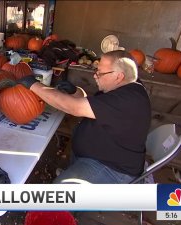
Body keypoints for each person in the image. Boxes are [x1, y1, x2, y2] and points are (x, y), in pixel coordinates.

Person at [19, 50, 151, 184]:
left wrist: (33, 85)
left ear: (118, 76)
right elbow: (94, 106)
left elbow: (74, 107)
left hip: (111, 169)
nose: (95, 76)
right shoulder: (127, 87)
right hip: (98, 156)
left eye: (100, 73)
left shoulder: (126, 100)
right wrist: (75, 91)